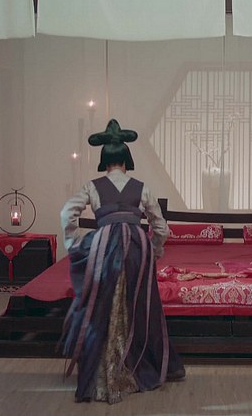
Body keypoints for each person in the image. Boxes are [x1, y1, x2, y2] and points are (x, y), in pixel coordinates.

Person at [59, 118, 185, 404]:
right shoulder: (141, 187)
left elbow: (67, 213)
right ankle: (134, 362)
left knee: (101, 306)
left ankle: (102, 370)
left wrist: (74, 244)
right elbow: (161, 227)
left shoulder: (92, 186)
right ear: (127, 160)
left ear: (104, 161)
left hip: (103, 249)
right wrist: (154, 250)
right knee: (136, 304)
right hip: (135, 249)